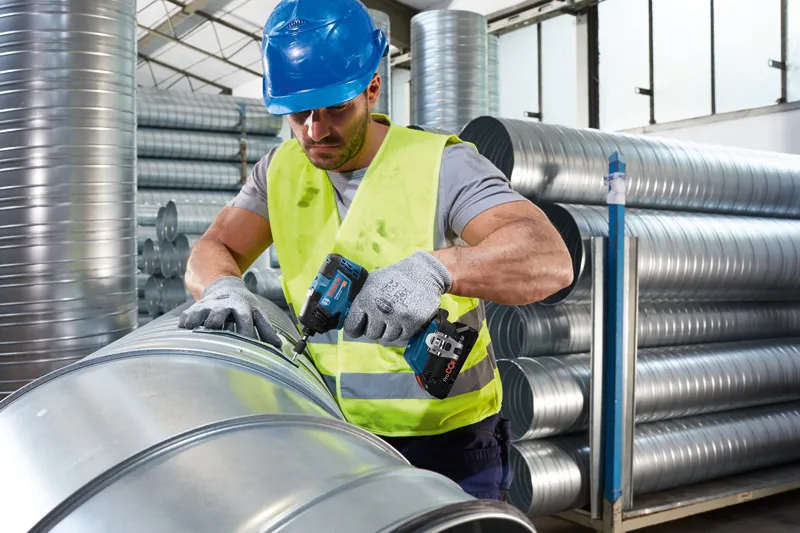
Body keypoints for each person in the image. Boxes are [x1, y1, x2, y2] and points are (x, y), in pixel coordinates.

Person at [178, 0, 573, 501]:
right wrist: (220, 286)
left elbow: (549, 258)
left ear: (372, 89)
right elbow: (215, 246)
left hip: (447, 446)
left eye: (335, 108)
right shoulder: (277, 170)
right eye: (299, 113)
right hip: (331, 434)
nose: (315, 131)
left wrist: (436, 269)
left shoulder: (442, 164)